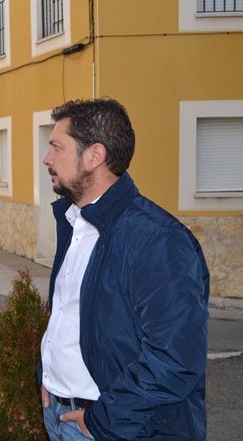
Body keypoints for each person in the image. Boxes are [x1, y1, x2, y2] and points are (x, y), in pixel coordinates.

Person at [39, 98, 209, 440]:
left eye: (57, 147)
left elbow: (176, 358)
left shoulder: (158, 240)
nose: (47, 158)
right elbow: (67, 318)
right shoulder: (74, 222)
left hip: (113, 427)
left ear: (94, 156)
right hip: (60, 412)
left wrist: (103, 420)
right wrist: (48, 377)